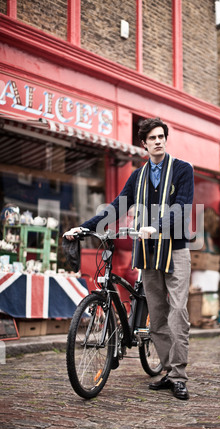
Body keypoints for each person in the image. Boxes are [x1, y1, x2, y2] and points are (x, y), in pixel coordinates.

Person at [64, 117, 194, 400]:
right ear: (144, 144)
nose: (158, 141)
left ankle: (180, 377)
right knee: (156, 315)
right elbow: (116, 206)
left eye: (162, 136)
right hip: (148, 252)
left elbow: (182, 207)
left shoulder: (183, 170)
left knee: (178, 312)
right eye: (153, 138)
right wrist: (84, 227)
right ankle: (169, 372)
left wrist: (156, 226)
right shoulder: (138, 176)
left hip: (176, 250)